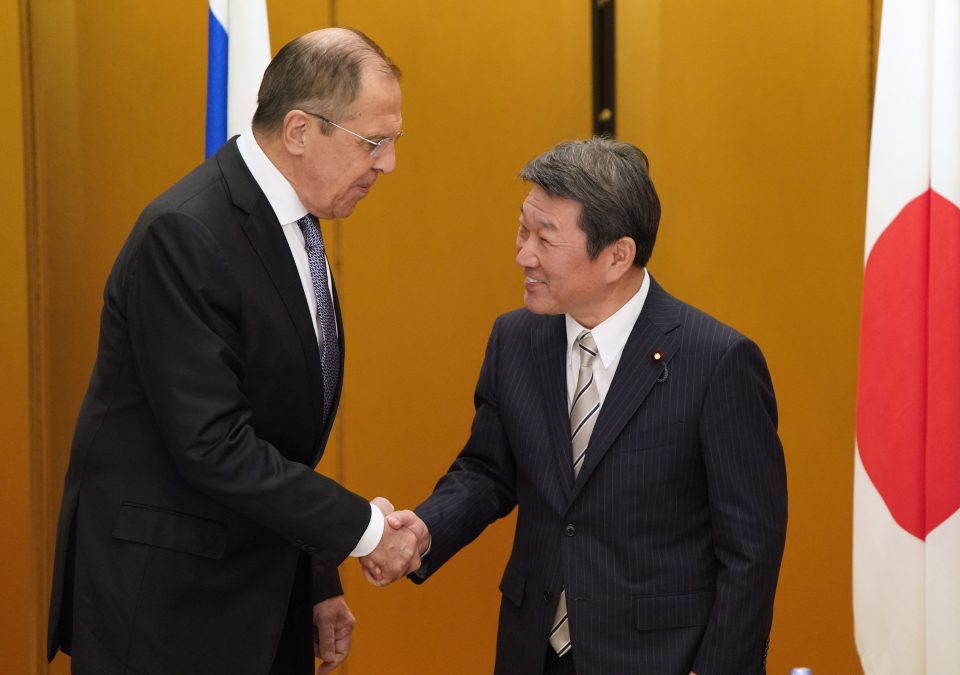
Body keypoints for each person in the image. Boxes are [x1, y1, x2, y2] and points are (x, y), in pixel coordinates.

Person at [47, 27, 422, 674]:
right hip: (169, 610)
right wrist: (364, 529)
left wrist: (318, 577)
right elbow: (213, 443)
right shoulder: (187, 233)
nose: (387, 163)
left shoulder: (299, 225)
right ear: (300, 130)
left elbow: (277, 436)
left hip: (259, 593)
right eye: (374, 142)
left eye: (393, 142)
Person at [366, 138, 788, 674]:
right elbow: (487, 471)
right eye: (524, 229)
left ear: (618, 256)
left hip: (657, 658)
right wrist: (425, 529)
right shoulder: (515, 339)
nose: (524, 254)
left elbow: (751, 551)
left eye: (546, 238)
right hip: (534, 652)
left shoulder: (717, 362)